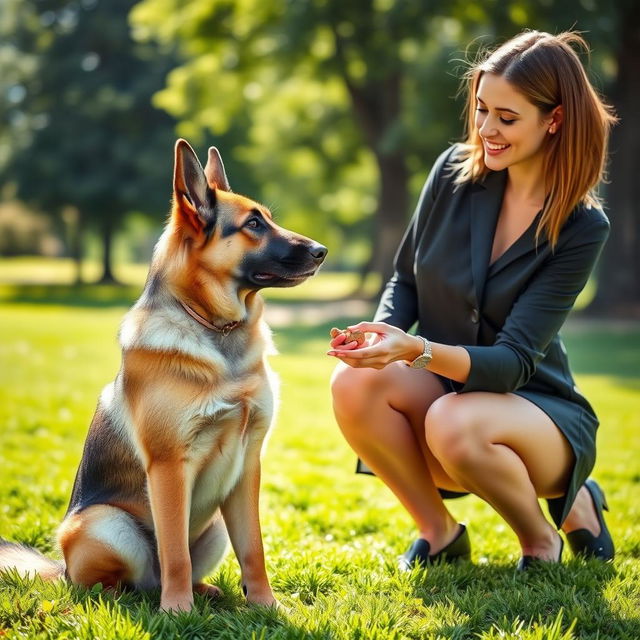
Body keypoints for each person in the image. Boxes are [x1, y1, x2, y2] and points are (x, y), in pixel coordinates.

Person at [328, 30, 616, 570]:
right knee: (354, 383)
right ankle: (438, 533)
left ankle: (543, 536)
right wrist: (378, 337)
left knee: (452, 421)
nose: (487, 129)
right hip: (448, 398)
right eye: (482, 110)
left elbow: (510, 365)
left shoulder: (582, 227)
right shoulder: (452, 173)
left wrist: (411, 349)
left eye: (507, 118)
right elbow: (406, 279)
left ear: (553, 119)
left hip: (537, 411)